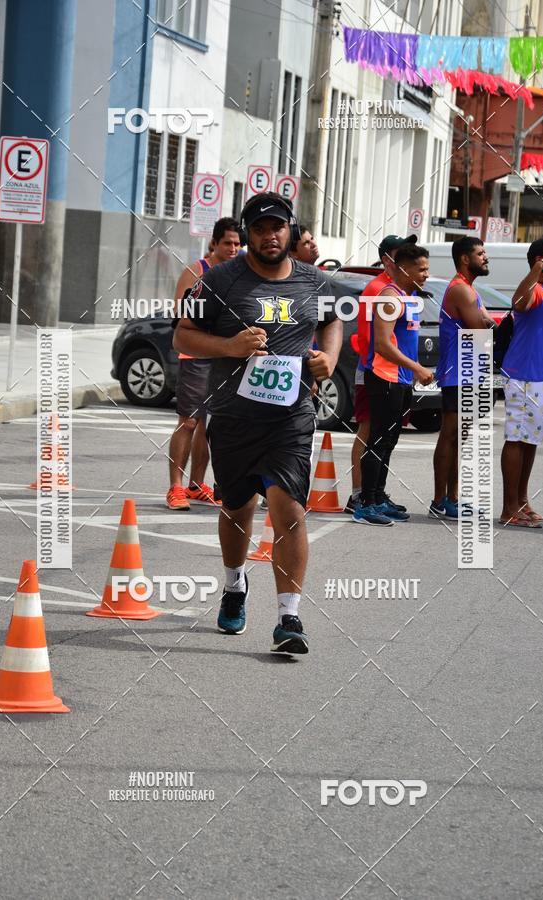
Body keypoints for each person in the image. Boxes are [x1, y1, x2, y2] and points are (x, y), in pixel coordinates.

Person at [174, 191, 343, 654]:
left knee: (288, 510)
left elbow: (332, 322)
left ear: (291, 230)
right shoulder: (221, 281)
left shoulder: (315, 281)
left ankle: (289, 617)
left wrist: (328, 356)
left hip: (290, 417)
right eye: (261, 228)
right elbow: (182, 334)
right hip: (233, 415)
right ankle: (234, 585)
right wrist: (230, 347)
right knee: (237, 508)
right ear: (247, 234)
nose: (271, 235)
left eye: (279, 227)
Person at [353, 243, 435, 526]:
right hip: (384, 377)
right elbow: (383, 345)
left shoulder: (407, 297)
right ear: (402, 269)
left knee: (389, 440)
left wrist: (411, 371)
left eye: (426, 268)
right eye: (421, 269)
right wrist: (416, 368)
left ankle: (377, 496)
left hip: (400, 379)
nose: (426, 274)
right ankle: (365, 503)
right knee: (378, 440)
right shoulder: (390, 298)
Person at [166, 217, 242, 510]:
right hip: (197, 357)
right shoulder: (197, 271)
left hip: (225, 357)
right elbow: (179, 314)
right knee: (188, 421)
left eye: (237, 244)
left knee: (209, 426)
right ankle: (175, 487)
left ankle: (196, 485)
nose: (233, 248)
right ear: (214, 243)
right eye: (228, 243)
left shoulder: (239, 274)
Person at [345, 233, 417, 515]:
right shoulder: (378, 289)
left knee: (384, 435)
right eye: (402, 254)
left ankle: (375, 493)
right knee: (369, 431)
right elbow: (369, 337)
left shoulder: (395, 289)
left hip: (394, 373)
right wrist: (375, 369)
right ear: (389, 260)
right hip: (374, 371)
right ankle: (359, 495)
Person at [500, 237, 543, 527]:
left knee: (531, 440)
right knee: (517, 439)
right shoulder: (535, 290)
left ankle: (522, 502)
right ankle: (508, 508)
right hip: (523, 374)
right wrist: (537, 271)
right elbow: (517, 303)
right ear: (541, 259)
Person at [430, 237, 495, 519]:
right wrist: (487, 325)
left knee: (461, 437)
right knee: (450, 435)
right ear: (465, 259)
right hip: (457, 373)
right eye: (480, 253)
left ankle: (452, 498)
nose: (486, 257)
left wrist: (487, 325)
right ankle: (438, 500)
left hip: (469, 373)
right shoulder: (461, 290)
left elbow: (486, 324)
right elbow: (482, 328)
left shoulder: (469, 290)